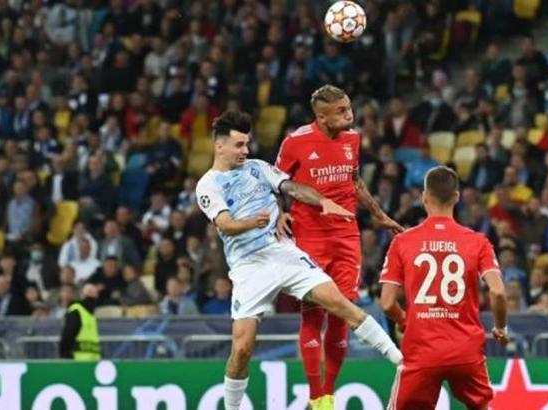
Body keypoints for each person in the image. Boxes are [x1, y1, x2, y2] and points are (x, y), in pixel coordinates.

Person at [195, 111, 402, 410]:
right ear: (220, 146)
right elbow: (225, 224)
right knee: (242, 349)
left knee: (341, 304)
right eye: (239, 145)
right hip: (249, 266)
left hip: (284, 253)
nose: (246, 151)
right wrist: (254, 222)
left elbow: (290, 187)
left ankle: (401, 361)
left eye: (247, 144)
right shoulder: (208, 185)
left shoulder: (258, 168)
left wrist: (322, 200)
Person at [275, 85, 403, 409]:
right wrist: (279, 214)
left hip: (346, 237)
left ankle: (327, 396)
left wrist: (379, 215)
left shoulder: (352, 140)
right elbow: (275, 183)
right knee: (312, 312)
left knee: (342, 312)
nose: (350, 115)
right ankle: (315, 393)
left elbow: (355, 182)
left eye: (349, 108)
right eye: (342, 111)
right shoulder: (295, 142)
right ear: (322, 117)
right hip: (310, 236)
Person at [380, 166, 509, 410]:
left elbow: (387, 303)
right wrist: (500, 327)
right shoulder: (478, 241)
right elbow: (498, 291)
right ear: (456, 197)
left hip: (422, 349)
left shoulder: (403, 242)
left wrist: (404, 320)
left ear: (424, 197)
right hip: (465, 350)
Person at [59, 284, 100, 361]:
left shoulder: (91, 314)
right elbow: (68, 335)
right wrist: (66, 356)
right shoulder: (76, 311)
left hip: (90, 360)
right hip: (78, 360)